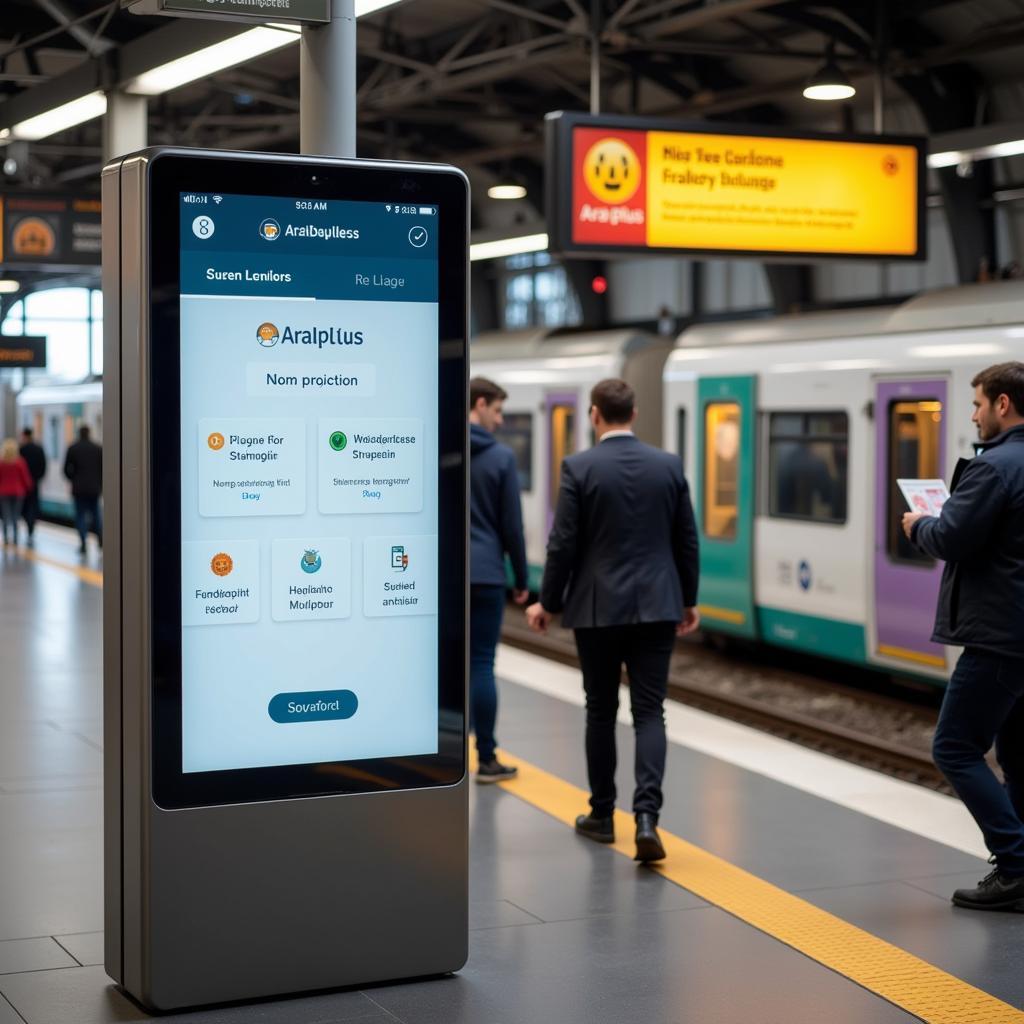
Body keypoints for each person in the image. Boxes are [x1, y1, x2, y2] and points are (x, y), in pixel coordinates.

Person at [526, 378, 700, 862]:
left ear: (595, 415)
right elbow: (686, 538)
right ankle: (647, 819)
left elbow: (562, 543)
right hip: (657, 605)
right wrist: (687, 599)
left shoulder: (580, 467)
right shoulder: (668, 466)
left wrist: (548, 602)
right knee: (650, 712)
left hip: (598, 608)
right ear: (635, 413)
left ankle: (602, 816)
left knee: (600, 710)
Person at [903, 361, 1024, 911]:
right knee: (1018, 752)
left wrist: (918, 526)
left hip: (999, 635)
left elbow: (952, 537)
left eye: (977, 404)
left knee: (954, 746)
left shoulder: (995, 467)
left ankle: (1016, 864)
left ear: (1003, 405)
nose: (973, 415)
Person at [469, 376, 529, 783]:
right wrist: (521, 578)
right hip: (488, 574)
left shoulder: (440, 446)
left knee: (444, 664)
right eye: (497, 410)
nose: (500, 419)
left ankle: (441, 751)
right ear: (479, 403)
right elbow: (512, 526)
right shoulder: (501, 458)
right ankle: (486, 757)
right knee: (482, 664)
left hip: (446, 573)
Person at [63, 425, 103, 555]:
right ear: (89, 433)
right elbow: (103, 469)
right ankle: (100, 540)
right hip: (94, 488)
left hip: (78, 488)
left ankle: (83, 543)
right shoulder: (97, 448)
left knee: (80, 515)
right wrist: (100, 484)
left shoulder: (73, 448)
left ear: (79, 433)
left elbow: (66, 469)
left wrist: (73, 478)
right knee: (96, 515)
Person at [0, 438, 33, 547]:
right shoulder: (20, 462)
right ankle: (15, 538)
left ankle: (5, 538)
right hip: (18, 492)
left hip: (3, 492)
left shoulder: (1, 462)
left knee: (5, 516)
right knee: (15, 516)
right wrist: (29, 487)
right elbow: (25, 478)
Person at [19, 427, 46, 546]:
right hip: (34, 482)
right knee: (33, 505)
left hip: (22, 484)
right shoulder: (39, 449)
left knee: (24, 506)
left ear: (24, 436)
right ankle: (31, 526)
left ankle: (28, 524)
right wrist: (37, 478)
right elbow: (43, 465)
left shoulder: (21, 449)